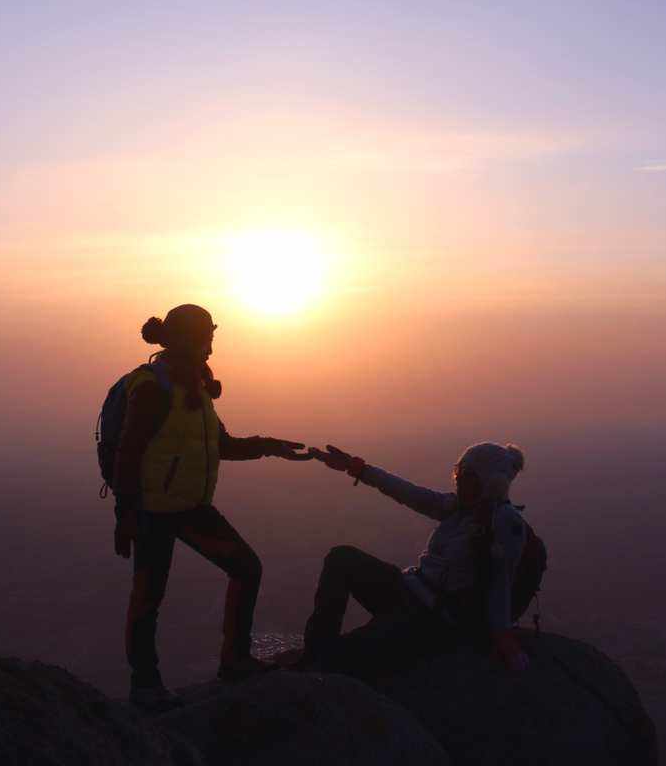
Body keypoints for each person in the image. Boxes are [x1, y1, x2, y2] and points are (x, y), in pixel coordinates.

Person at [112, 304, 309, 711]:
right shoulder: (153, 389)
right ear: (187, 339)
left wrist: (272, 447)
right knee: (148, 597)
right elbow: (128, 456)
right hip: (153, 511)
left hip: (191, 507)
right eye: (207, 339)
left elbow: (222, 445)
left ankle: (234, 661)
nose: (211, 348)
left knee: (246, 568)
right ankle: (145, 687)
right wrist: (125, 516)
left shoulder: (194, 387)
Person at [301, 441, 533, 677]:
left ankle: (319, 662)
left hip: (430, 619)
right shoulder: (457, 507)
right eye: (459, 473)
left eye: (467, 475)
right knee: (341, 558)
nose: (459, 480)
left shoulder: (504, 522)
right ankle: (315, 651)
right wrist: (357, 468)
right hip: (408, 589)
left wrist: (503, 635)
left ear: (490, 483)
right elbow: (407, 492)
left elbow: (501, 581)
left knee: (346, 655)